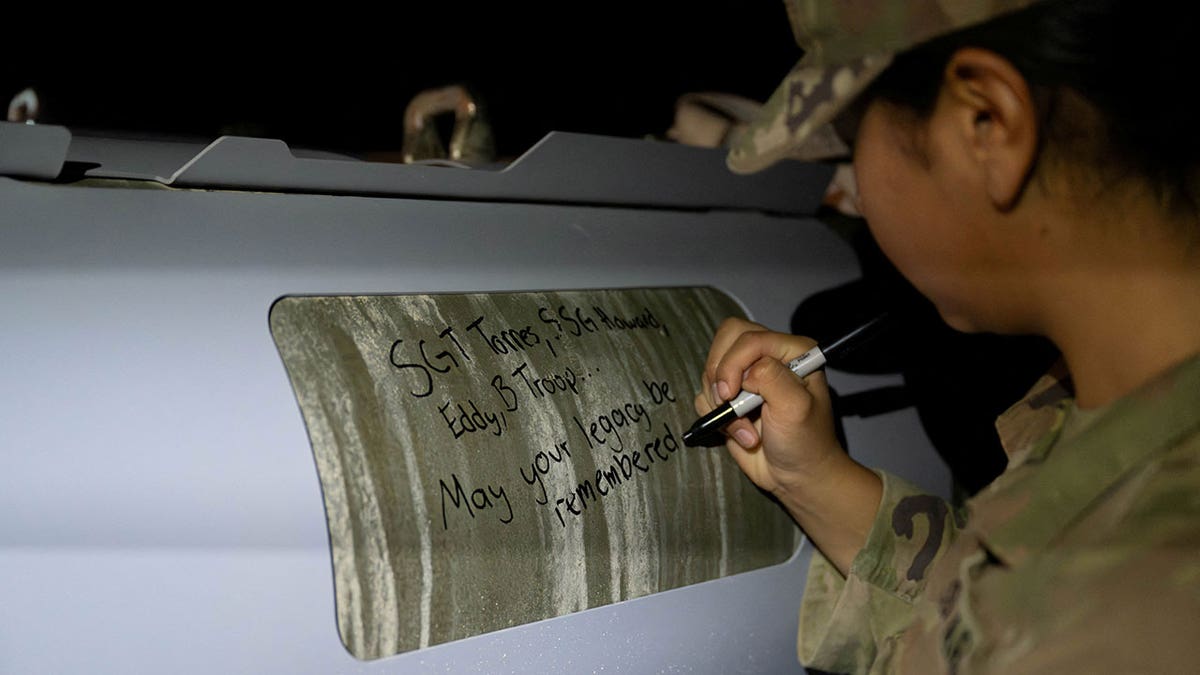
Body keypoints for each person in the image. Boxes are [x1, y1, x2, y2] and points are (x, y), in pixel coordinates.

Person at [694, 0, 1200, 672]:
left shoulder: (1133, 606)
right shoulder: (1120, 411)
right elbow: (991, 616)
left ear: (986, 122)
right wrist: (815, 479)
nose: (858, 196)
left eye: (852, 140)